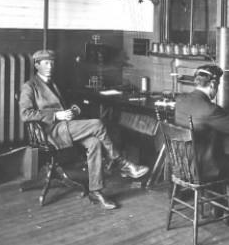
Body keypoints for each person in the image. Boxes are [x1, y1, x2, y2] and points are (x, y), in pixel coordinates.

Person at [19, 49, 149, 210]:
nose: (50, 66)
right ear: (37, 65)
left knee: (95, 143)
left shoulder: (53, 83)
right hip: (51, 132)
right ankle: (120, 162)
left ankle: (96, 191)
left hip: (67, 127)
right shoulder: (30, 86)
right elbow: (25, 114)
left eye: (52, 62)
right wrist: (56, 115)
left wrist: (73, 110)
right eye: (46, 63)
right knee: (98, 124)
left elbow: (67, 106)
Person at [174, 64, 229, 222]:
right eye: (217, 85)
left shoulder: (181, 100)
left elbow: (209, 115)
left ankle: (217, 207)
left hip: (181, 165)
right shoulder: (209, 110)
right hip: (201, 168)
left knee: (221, 158)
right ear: (212, 84)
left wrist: (223, 114)